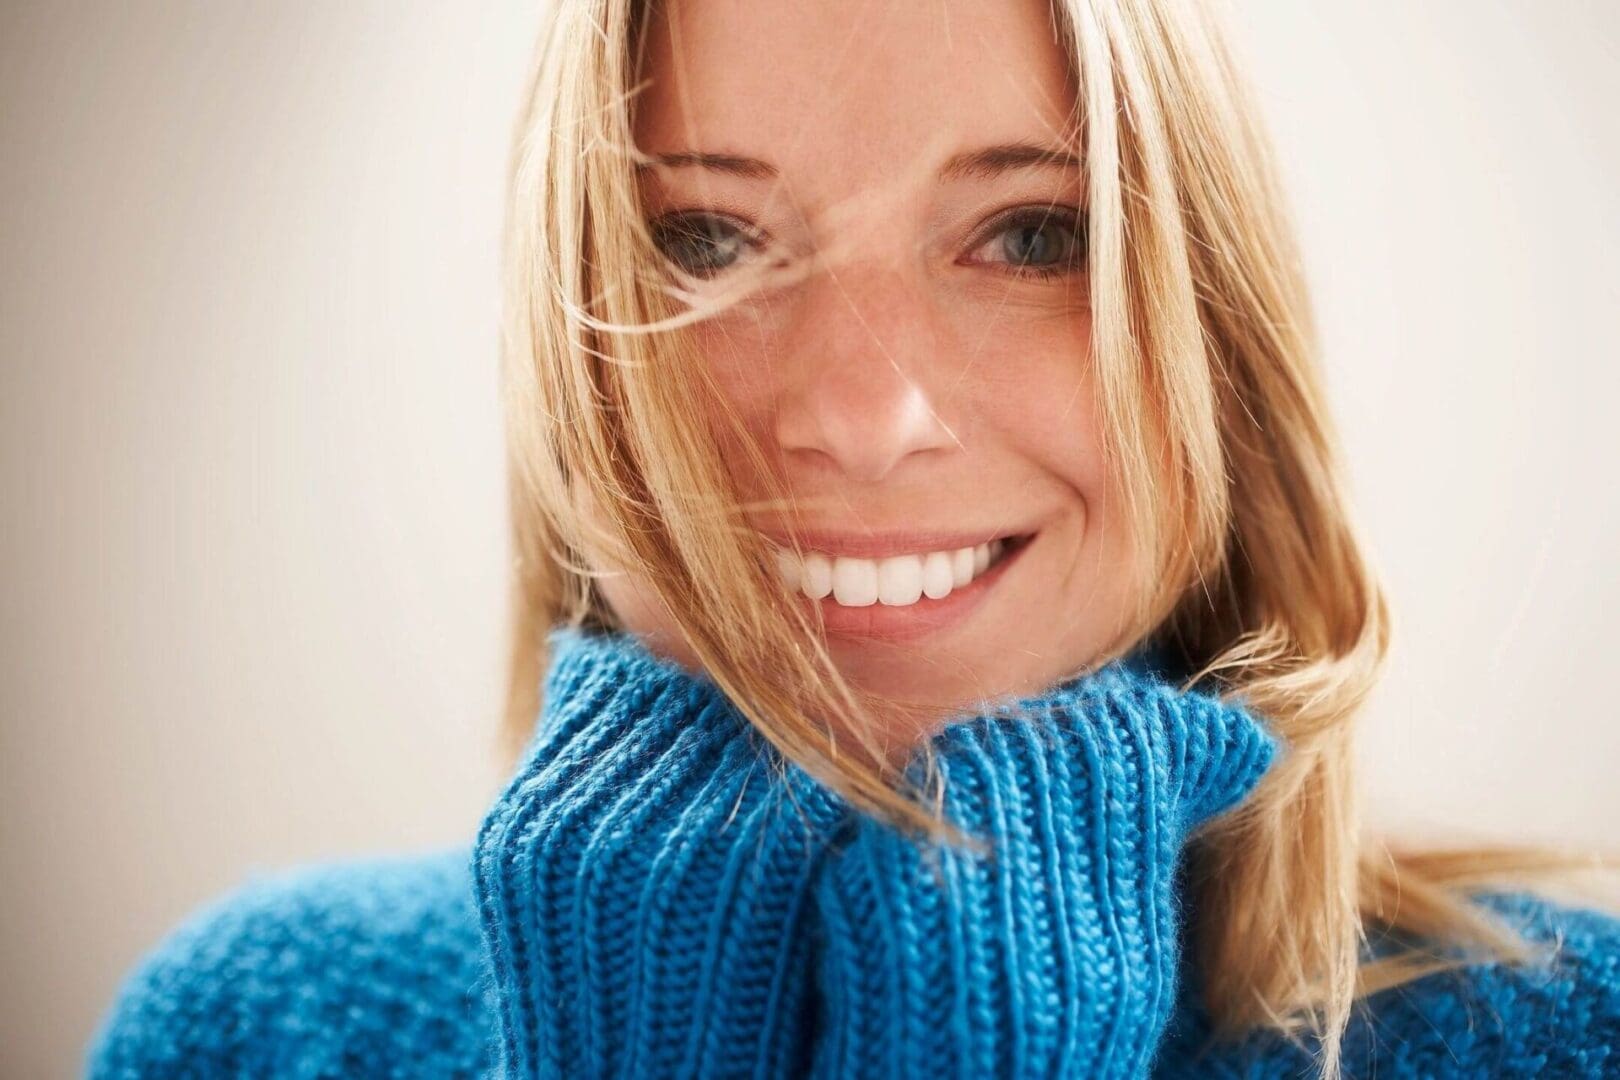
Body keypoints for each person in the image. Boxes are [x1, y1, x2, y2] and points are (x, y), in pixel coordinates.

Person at [86, 0, 1620, 1077]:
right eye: (705, 238)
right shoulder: (261, 1030)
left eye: (1030, 235)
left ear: (1218, 346)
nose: (866, 413)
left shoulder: (1562, 1040)